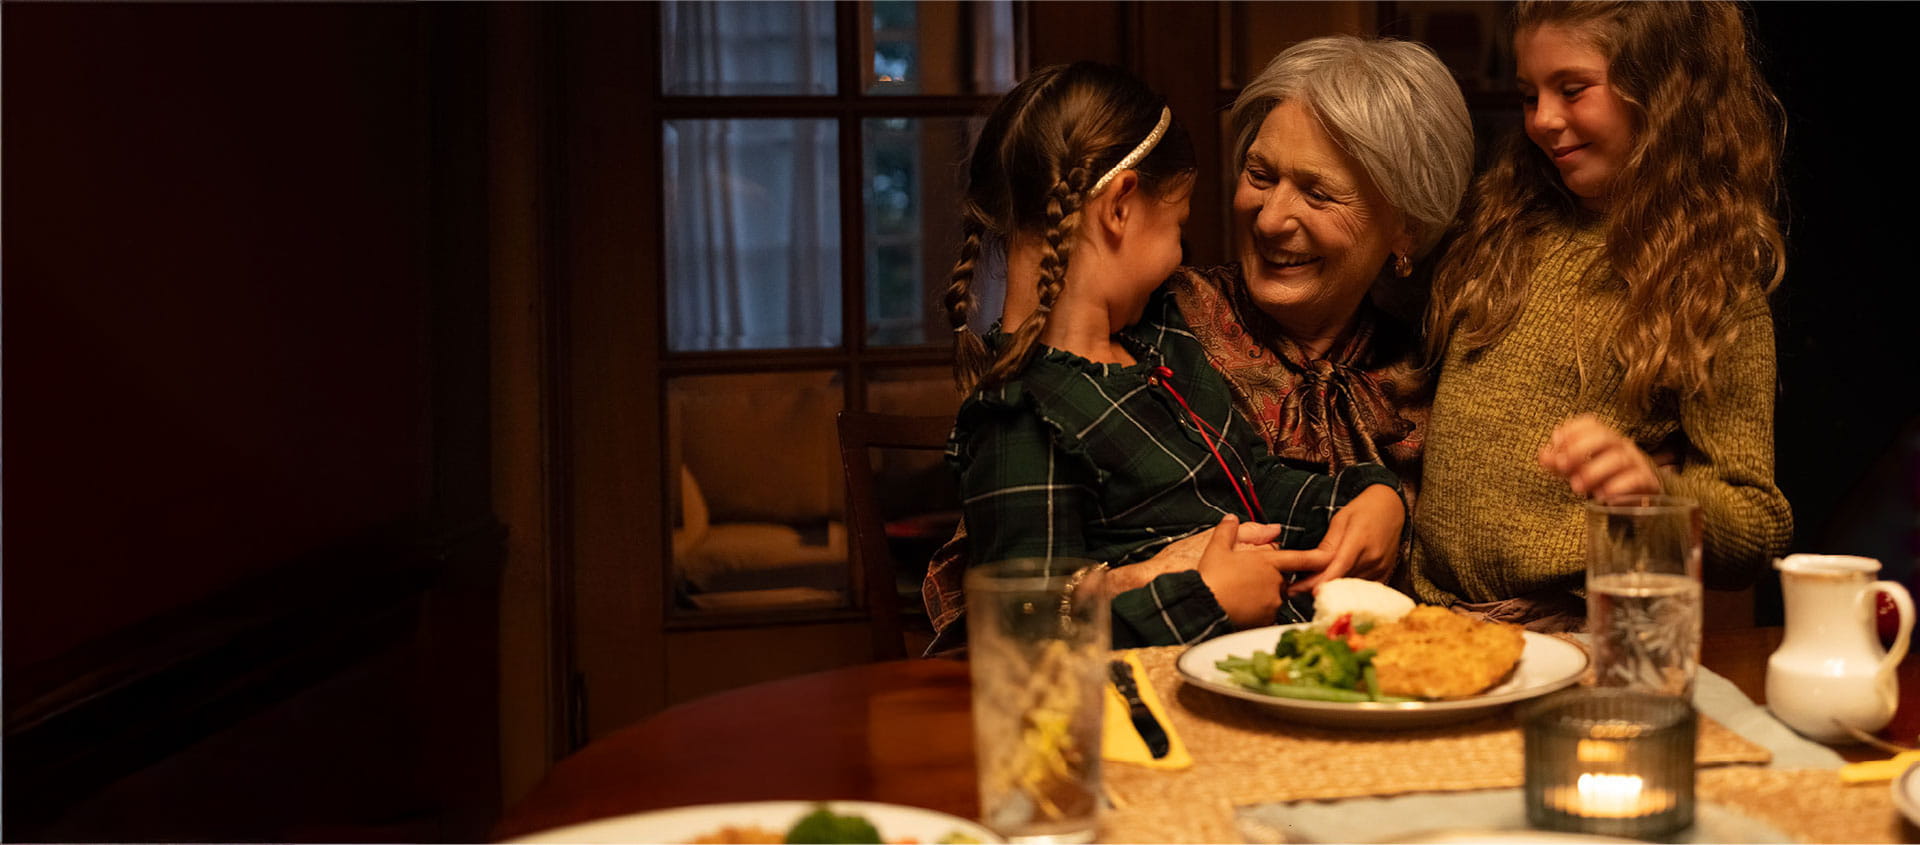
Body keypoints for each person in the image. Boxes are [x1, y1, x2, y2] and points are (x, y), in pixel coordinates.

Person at [926, 42, 1475, 653]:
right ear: (1120, 209)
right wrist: (1200, 598)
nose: (1268, 221)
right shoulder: (1027, 409)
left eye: (1318, 192)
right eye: (1260, 176)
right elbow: (1017, 633)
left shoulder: (1162, 349)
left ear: (1406, 228)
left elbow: (1249, 486)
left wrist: (1373, 494)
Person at [1408, 0, 1793, 630]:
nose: (1543, 120)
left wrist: (1655, 495)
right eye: (1530, 94)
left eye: (1573, 89)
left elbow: (1756, 524)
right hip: (1437, 619)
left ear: (1665, 91)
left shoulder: (1710, 284)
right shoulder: (1504, 226)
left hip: (1583, 634)